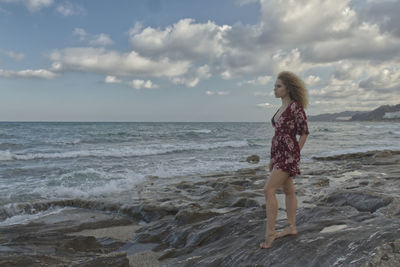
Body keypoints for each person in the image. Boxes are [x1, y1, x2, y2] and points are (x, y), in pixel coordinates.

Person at [259, 71, 309, 249]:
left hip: (289, 155)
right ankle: (292, 227)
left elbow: (303, 132)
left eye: (278, 86)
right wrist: (272, 157)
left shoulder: (295, 107)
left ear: (288, 88)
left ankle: (270, 232)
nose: (275, 89)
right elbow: (277, 136)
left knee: (268, 189)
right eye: (275, 86)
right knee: (288, 191)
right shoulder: (280, 108)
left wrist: (295, 153)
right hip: (279, 155)